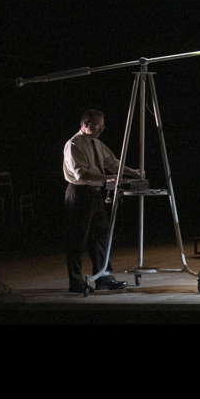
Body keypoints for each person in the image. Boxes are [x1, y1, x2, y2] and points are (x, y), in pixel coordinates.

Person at [62, 109, 138, 292]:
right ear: (85, 124)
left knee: (100, 238)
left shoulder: (96, 143)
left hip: (95, 194)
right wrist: (107, 179)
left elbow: (112, 162)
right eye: (97, 125)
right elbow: (81, 173)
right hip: (79, 193)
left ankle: (104, 277)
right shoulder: (74, 144)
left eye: (102, 125)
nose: (101, 129)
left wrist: (132, 172)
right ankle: (76, 281)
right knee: (78, 239)